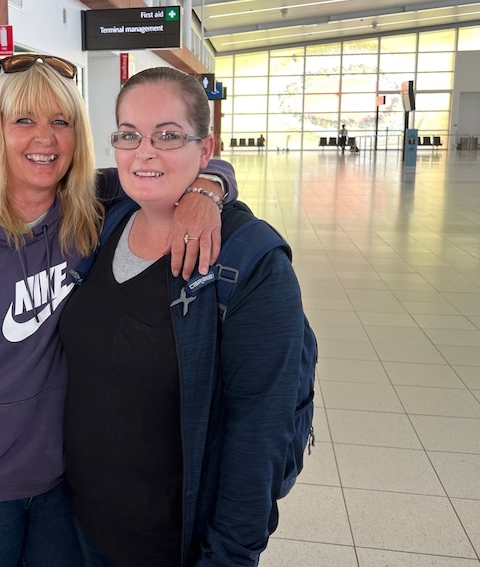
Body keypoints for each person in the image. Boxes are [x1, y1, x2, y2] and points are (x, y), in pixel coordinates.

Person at [0, 55, 237, 567]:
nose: (45, 139)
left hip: (65, 482)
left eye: (60, 121)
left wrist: (208, 186)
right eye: (24, 120)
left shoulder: (91, 208)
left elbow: (162, 166)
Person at [60, 67, 306, 566]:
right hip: (76, 526)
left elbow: (259, 435)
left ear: (205, 147)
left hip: (171, 544)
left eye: (168, 135)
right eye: (129, 135)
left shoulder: (251, 263)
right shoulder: (106, 216)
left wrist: (229, 557)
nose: (144, 151)